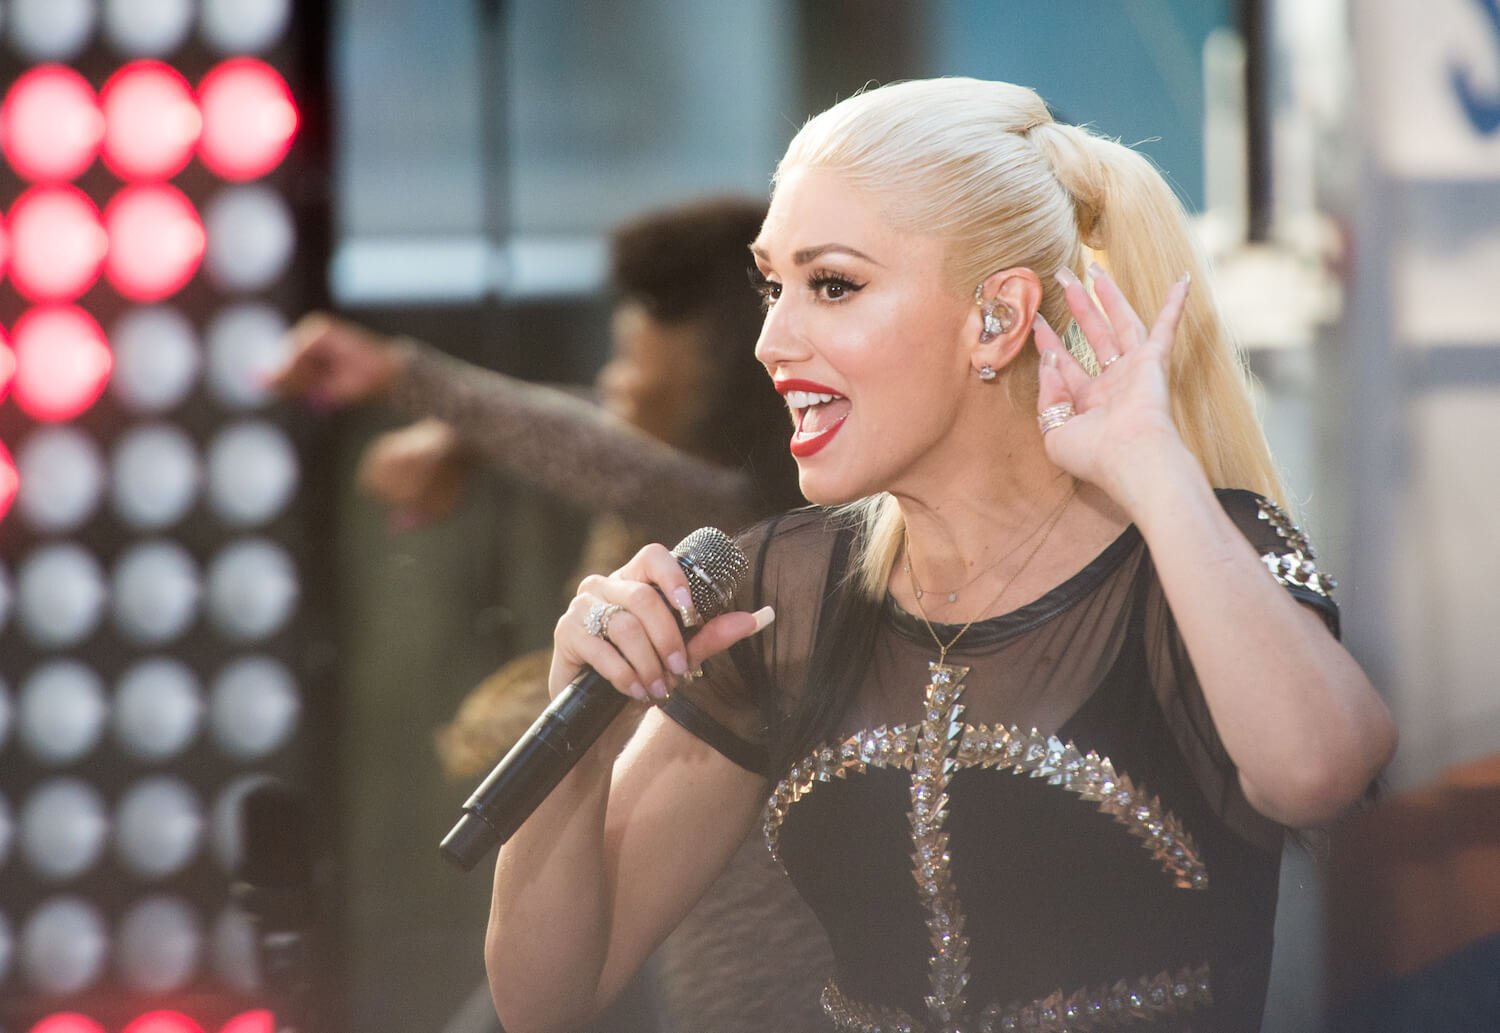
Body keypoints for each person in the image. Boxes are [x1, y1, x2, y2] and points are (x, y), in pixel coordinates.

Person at [484, 78, 1398, 1033]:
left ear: (997, 317)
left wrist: (1152, 468)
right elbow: (546, 999)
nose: (770, 341)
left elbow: (1316, 774)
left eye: (833, 285)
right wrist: (578, 743)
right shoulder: (780, 592)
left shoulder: (1199, 555)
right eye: (772, 286)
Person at [273, 198, 829, 1032]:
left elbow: (612, 460)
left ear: (719, 375)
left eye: (633, 363)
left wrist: (405, 376)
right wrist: (464, 436)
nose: (613, 385)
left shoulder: (741, 533)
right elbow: (591, 429)